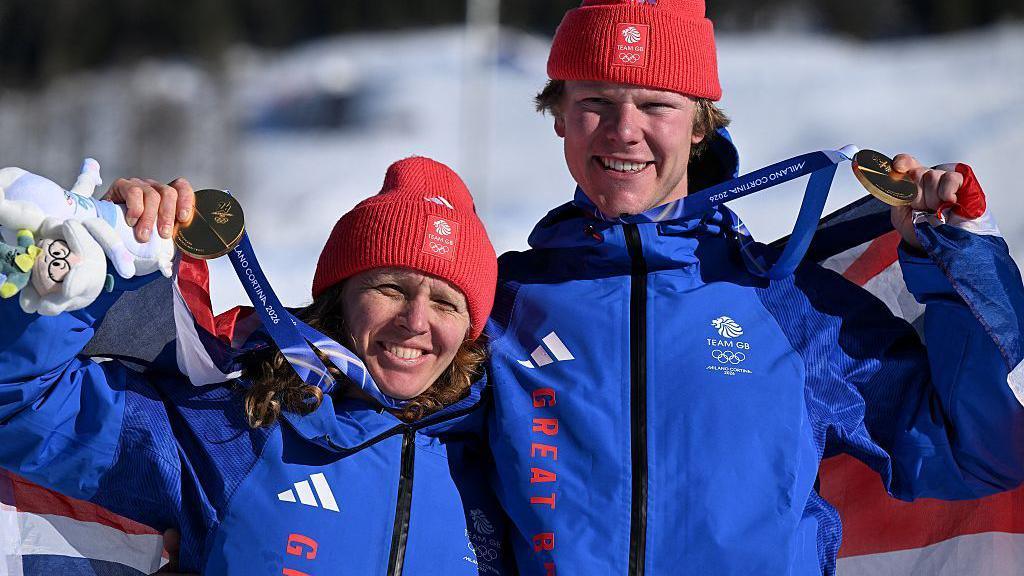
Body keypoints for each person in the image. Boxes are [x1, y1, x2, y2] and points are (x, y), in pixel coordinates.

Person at [477, 1, 1024, 575]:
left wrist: (955, 258)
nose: (624, 130)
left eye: (656, 104)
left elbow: (983, 454)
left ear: (698, 125)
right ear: (559, 113)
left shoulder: (790, 310)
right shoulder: (501, 306)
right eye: (596, 102)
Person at [0, 156, 511, 575]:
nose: (416, 321)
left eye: (446, 303)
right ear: (340, 300)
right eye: (391, 289)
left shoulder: (501, 462)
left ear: (470, 331)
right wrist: (96, 272)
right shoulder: (236, 432)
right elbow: (21, 406)